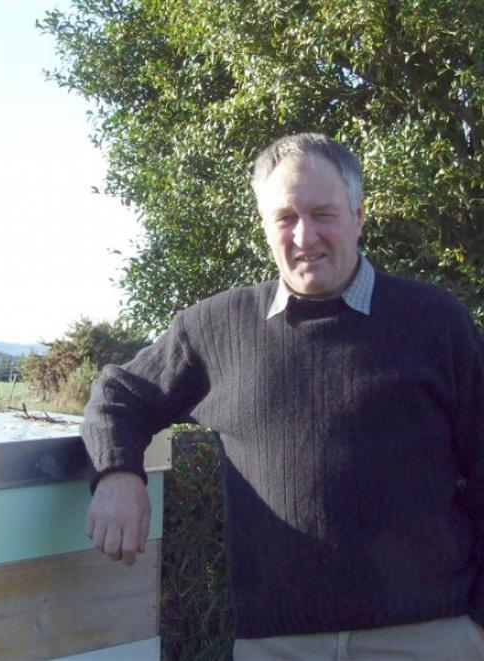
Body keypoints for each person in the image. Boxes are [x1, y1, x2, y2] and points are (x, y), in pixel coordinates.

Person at [82, 133, 484, 660]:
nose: (305, 235)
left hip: (428, 637)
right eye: (285, 218)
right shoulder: (215, 328)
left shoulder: (433, 321)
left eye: (323, 213)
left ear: (358, 215)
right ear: (264, 226)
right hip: (276, 646)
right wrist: (117, 473)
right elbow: (120, 393)